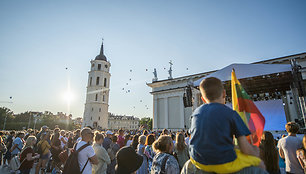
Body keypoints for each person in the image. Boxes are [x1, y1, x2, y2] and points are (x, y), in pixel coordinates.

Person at [189, 77, 264, 173]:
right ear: (224, 93)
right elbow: (245, 148)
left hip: (197, 161)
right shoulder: (231, 113)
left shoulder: (195, 113)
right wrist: (255, 153)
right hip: (221, 164)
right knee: (259, 163)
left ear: (203, 99)